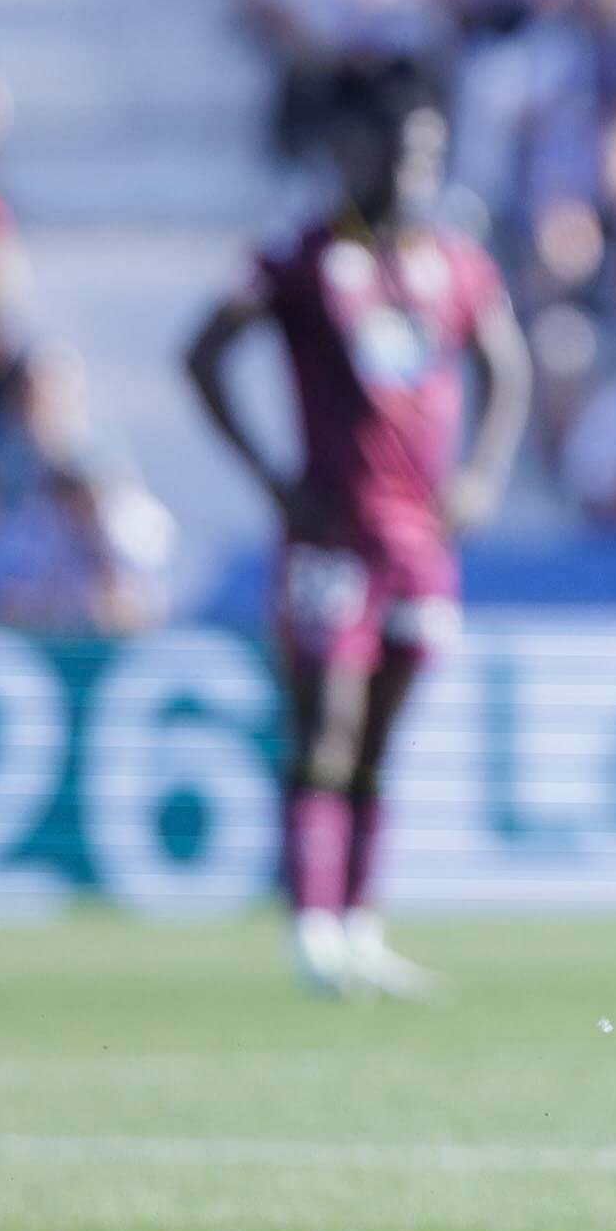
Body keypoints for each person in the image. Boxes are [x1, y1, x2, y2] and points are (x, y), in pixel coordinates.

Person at [185, 54, 528, 1001]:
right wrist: (268, 478)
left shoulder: (453, 262)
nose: (413, 167)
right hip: (334, 534)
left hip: (422, 542)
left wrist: (486, 474)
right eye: (397, 146)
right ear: (351, 147)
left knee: (379, 736)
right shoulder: (300, 255)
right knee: (324, 727)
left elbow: (507, 366)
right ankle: (311, 930)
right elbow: (203, 353)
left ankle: (360, 924)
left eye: (428, 150)